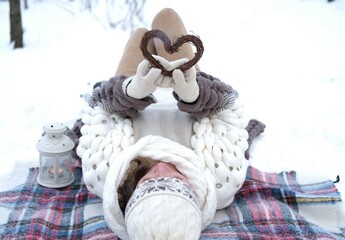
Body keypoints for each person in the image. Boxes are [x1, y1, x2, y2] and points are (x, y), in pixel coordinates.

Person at [77, 8, 257, 240]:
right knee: (166, 18)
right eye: (174, 182)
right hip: (191, 87)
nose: (162, 168)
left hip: (127, 91)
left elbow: (96, 107)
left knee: (140, 35)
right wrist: (193, 94)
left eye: (150, 182)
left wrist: (133, 90)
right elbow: (230, 107)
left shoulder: (107, 172)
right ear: (194, 193)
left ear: (131, 193)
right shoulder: (221, 177)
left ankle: (141, 52)